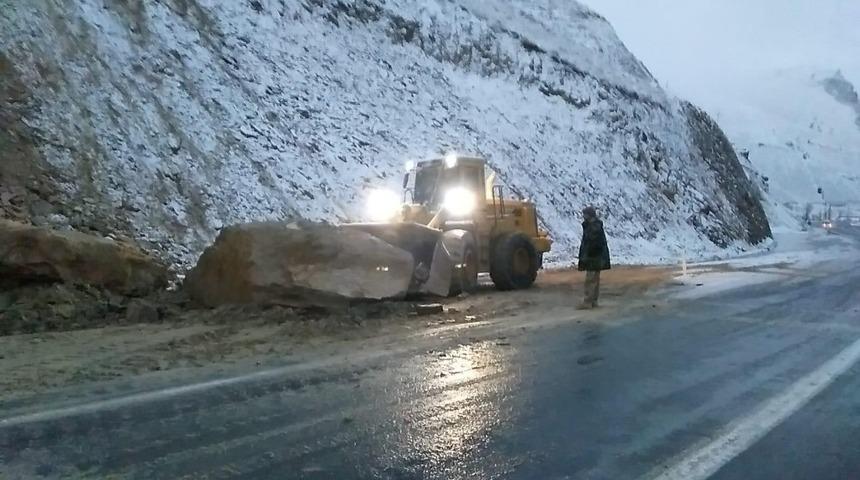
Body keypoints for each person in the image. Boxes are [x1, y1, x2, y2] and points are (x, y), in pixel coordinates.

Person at [577, 206, 611, 309]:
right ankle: (593, 301)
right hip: (597, 257)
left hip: (593, 257)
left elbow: (591, 243)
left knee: (590, 280)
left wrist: (586, 256)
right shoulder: (595, 225)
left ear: (589, 215)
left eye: (585, 214)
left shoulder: (593, 227)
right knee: (595, 280)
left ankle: (588, 302)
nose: (583, 216)